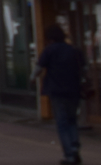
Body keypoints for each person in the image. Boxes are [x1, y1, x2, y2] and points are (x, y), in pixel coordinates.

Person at [37, 24, 88, 164]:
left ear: (49, 38)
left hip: (56, 91)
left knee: (62, 122)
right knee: (72, 120)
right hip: (74, 90)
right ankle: (75, 146)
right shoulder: (74, 50)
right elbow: (85, 68)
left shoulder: (49, 50)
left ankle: (69, 154)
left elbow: (38, 69)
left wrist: (33, 79)